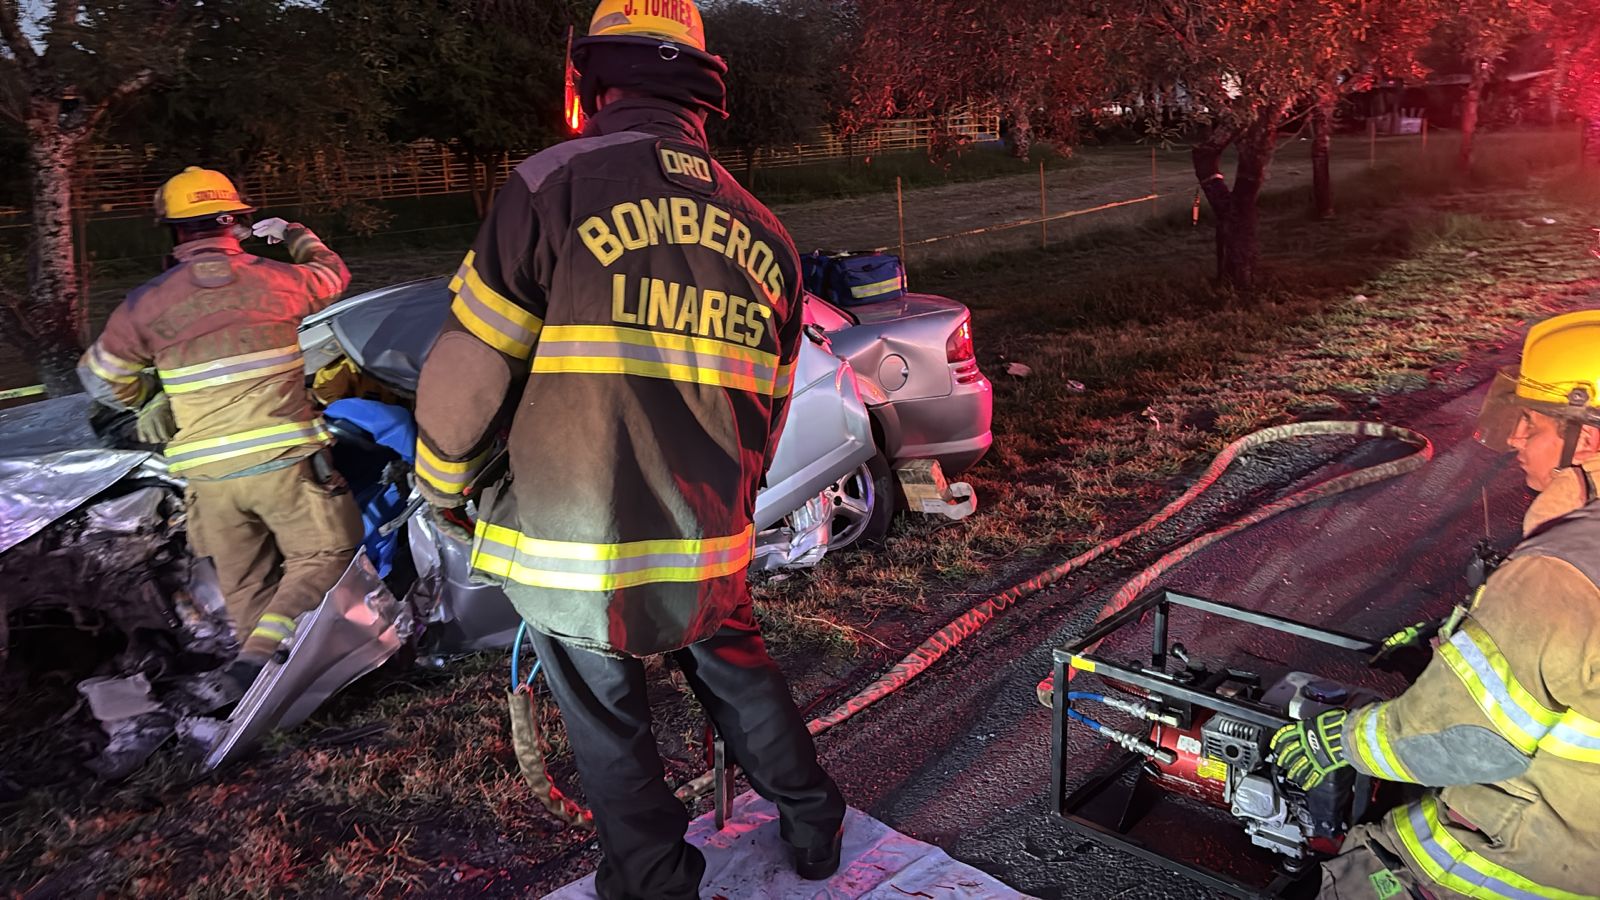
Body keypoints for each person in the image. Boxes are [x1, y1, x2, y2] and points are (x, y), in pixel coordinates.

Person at [409, 2, 845, 897]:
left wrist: (445, 484)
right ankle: (815, 825)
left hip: (580, 541)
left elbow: (468, 372)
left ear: (591, 80)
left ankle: (653, 878)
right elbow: (768, 405)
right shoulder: (767, 232)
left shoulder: (550, 185)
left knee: (608, 724)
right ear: (701, 93)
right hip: (704, 535)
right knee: (742, 679)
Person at [1270, 309, 1600, 900]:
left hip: (1544, 862)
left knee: (1360, 879)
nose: (1517, 438)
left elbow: (1467, 738)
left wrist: (1335, 742)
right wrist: (1459, 639)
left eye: (1532, 421)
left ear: (1589, 436)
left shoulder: (1559, 572)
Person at [78, 166, 360, 694]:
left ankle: (268, 693)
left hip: (207, 480)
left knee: (247, 585)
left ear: (174, 230)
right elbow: (332, 276)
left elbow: (99, 379)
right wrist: (293, 234)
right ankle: (258, 658)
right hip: (285, 466)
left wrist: (151, 397)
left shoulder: (144, 304)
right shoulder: (277, 279)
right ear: (237, 221)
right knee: (325, 553)